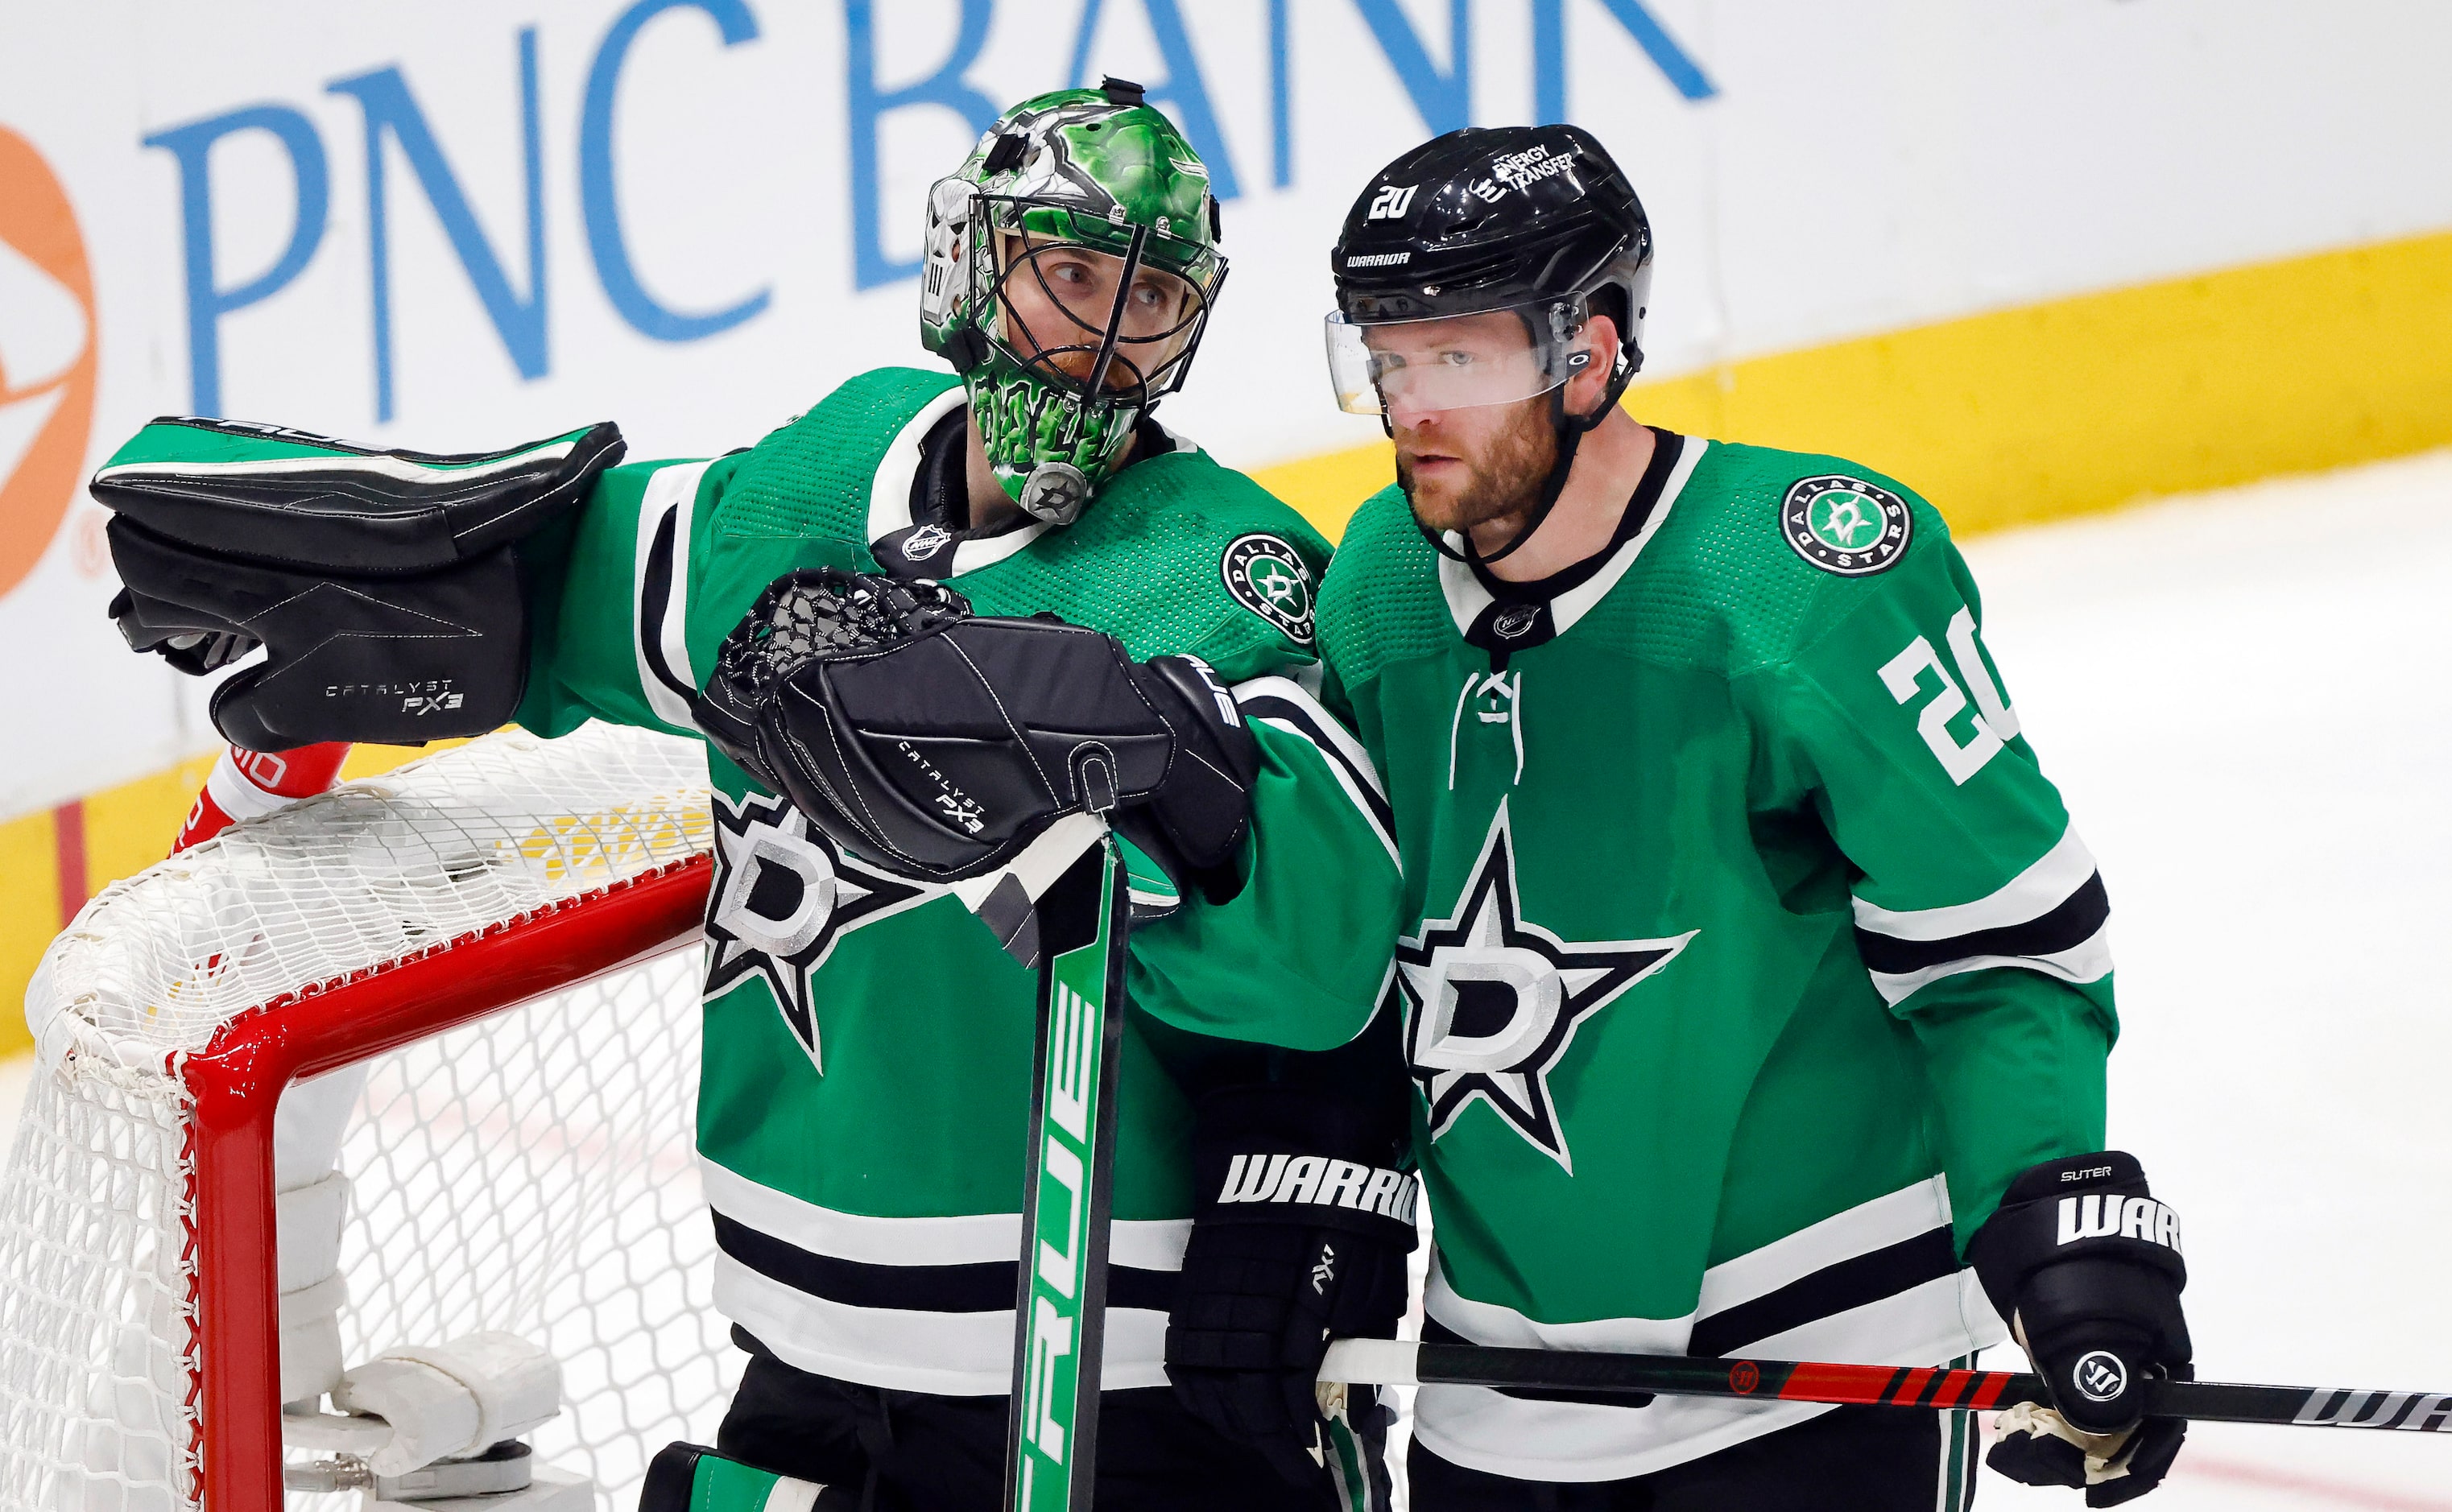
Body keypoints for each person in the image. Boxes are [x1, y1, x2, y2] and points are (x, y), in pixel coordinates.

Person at [93, 81, 1410, 1512]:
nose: (1101, 338)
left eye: (1149, 297)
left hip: (1102, 1373)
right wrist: (440, 578)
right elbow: (604, 589)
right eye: (1071, 275)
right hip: (800, 1348)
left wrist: (1153, 761)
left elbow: (1326, 955)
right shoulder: (822, 478)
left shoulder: (1219, 572)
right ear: (970, 268)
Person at [1263, 123, 2187, 1509]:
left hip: (1817, 1379)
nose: (1411, 407)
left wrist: (2058, 1222)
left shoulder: (1805, 579)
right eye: (1386, 360)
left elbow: (1997, 947)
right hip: (1485, 1396)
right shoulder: (1375, 596)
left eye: (1457, 359)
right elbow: (1339, 962)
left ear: (1586, 347)